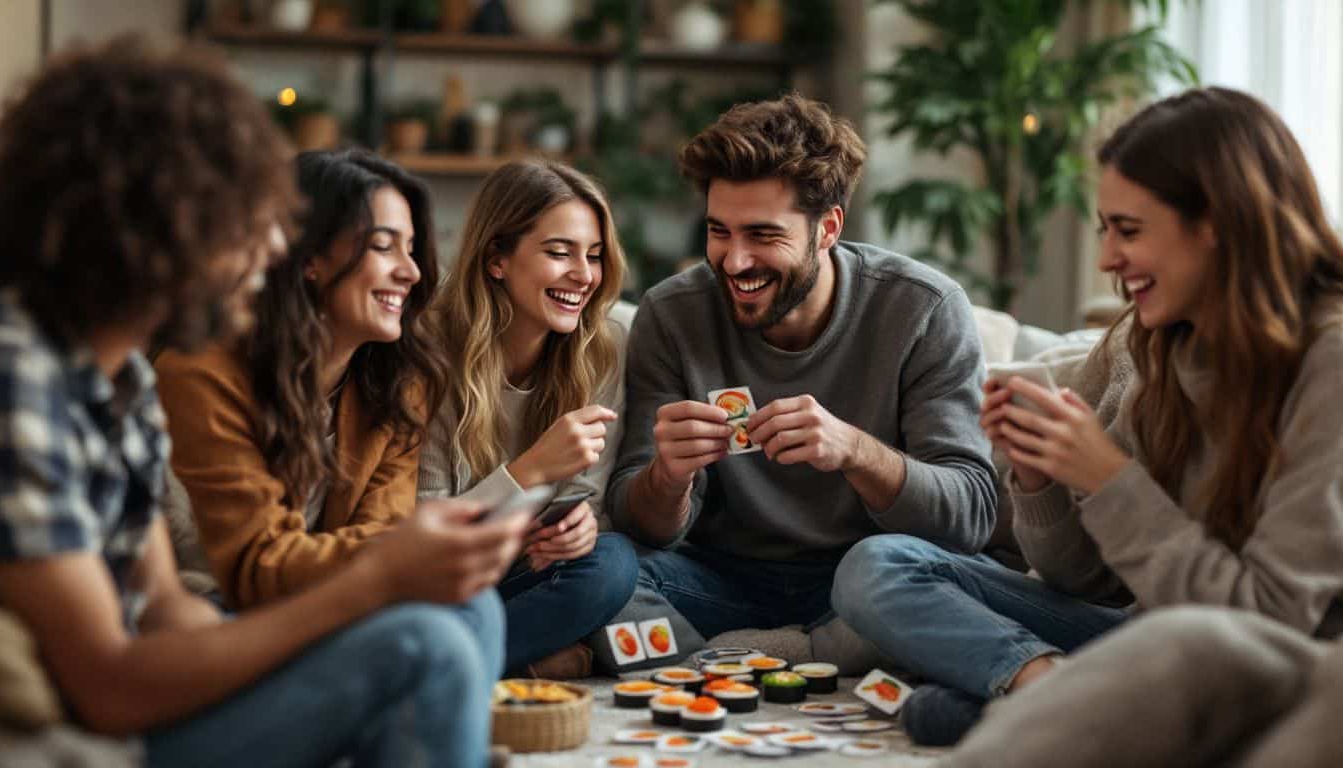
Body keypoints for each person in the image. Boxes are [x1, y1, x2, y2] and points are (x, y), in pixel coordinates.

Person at [0, 39, 526, 768]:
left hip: (165, 676)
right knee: (421, 644)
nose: (275, 245)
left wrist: (367, 600)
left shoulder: (120, 384)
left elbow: (161, 607)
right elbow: (109, 689)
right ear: (155, 221)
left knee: (460, 610)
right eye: (246, 215)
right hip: (94, 733)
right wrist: (377, 579)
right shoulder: (19, 383)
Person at [835, 86, 1343, 746]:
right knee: (879, 568)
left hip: (1275, 674)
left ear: (1216, 222)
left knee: (939, 712)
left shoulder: (1327, 364)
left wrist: (1110, 479)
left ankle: (1041, 705)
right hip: (1142, 637)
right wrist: (1040, 475)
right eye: (1105, 230)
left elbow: (1268, 624)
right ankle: (1042, 689)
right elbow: (1085, 580)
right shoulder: (1153, 341)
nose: (1106, 260)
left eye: (1129, 231)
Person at [607, 94, 997, 659]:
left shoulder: (923, 309)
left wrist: (855, 451)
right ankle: (816, 657)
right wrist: (667, 477)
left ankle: (735, 658)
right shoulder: (672, 315)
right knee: (608, 574)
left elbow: (971, 515)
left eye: (763, 236)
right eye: (719, 232)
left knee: (886, 575)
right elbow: (640, 522)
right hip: (724, 580)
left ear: (827, 228)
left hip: (864, 579)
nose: (735, 262)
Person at [155, 148, 456, 610]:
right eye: (382, 245)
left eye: (411, 249)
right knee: (434, 626)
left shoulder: (397, 384)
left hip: (328, 601)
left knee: (468, 609)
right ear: (309, 256)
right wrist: (403, 553)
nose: (411, 271)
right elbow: (255, 566)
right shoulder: (202, 371)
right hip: (210, 609)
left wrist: (405, 554)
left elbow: (385, 530)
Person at [419, 160, 638, 678]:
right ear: (497, 258)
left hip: (526, 577)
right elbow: (423, 533)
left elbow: (586, 501)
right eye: (558, 252)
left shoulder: (605, 346)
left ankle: (464, 661)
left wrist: (581, 529)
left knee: (613, 563)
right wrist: (529, 471)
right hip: (442, 579)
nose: (583, 275)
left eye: (594, 255)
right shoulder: (427, 349)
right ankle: (503, 660)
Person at [940, 606, 1342, 768]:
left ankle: (1042, 689)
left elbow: (1266, 605)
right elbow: (1072, 571)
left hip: (1191, 615)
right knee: (890, 561)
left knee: (1195, 645)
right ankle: (1042, 687)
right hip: (1117, 618)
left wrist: (1112, 484)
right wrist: (1039, 486)